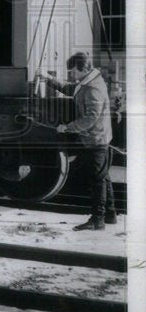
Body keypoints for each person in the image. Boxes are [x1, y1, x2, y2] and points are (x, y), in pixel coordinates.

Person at [37, 52, 116, 230]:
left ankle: (98, 220)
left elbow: (91, 118)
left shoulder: (93, 87)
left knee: (97, 179)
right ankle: (110, 215)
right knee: (103, 176)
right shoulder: (87, 81)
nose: (71, 74)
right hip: (96, 137)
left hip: (96, 139)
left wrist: (68, 127)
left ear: (83, 69)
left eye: (73, 71)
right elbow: (70, 89)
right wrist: (47, 78)